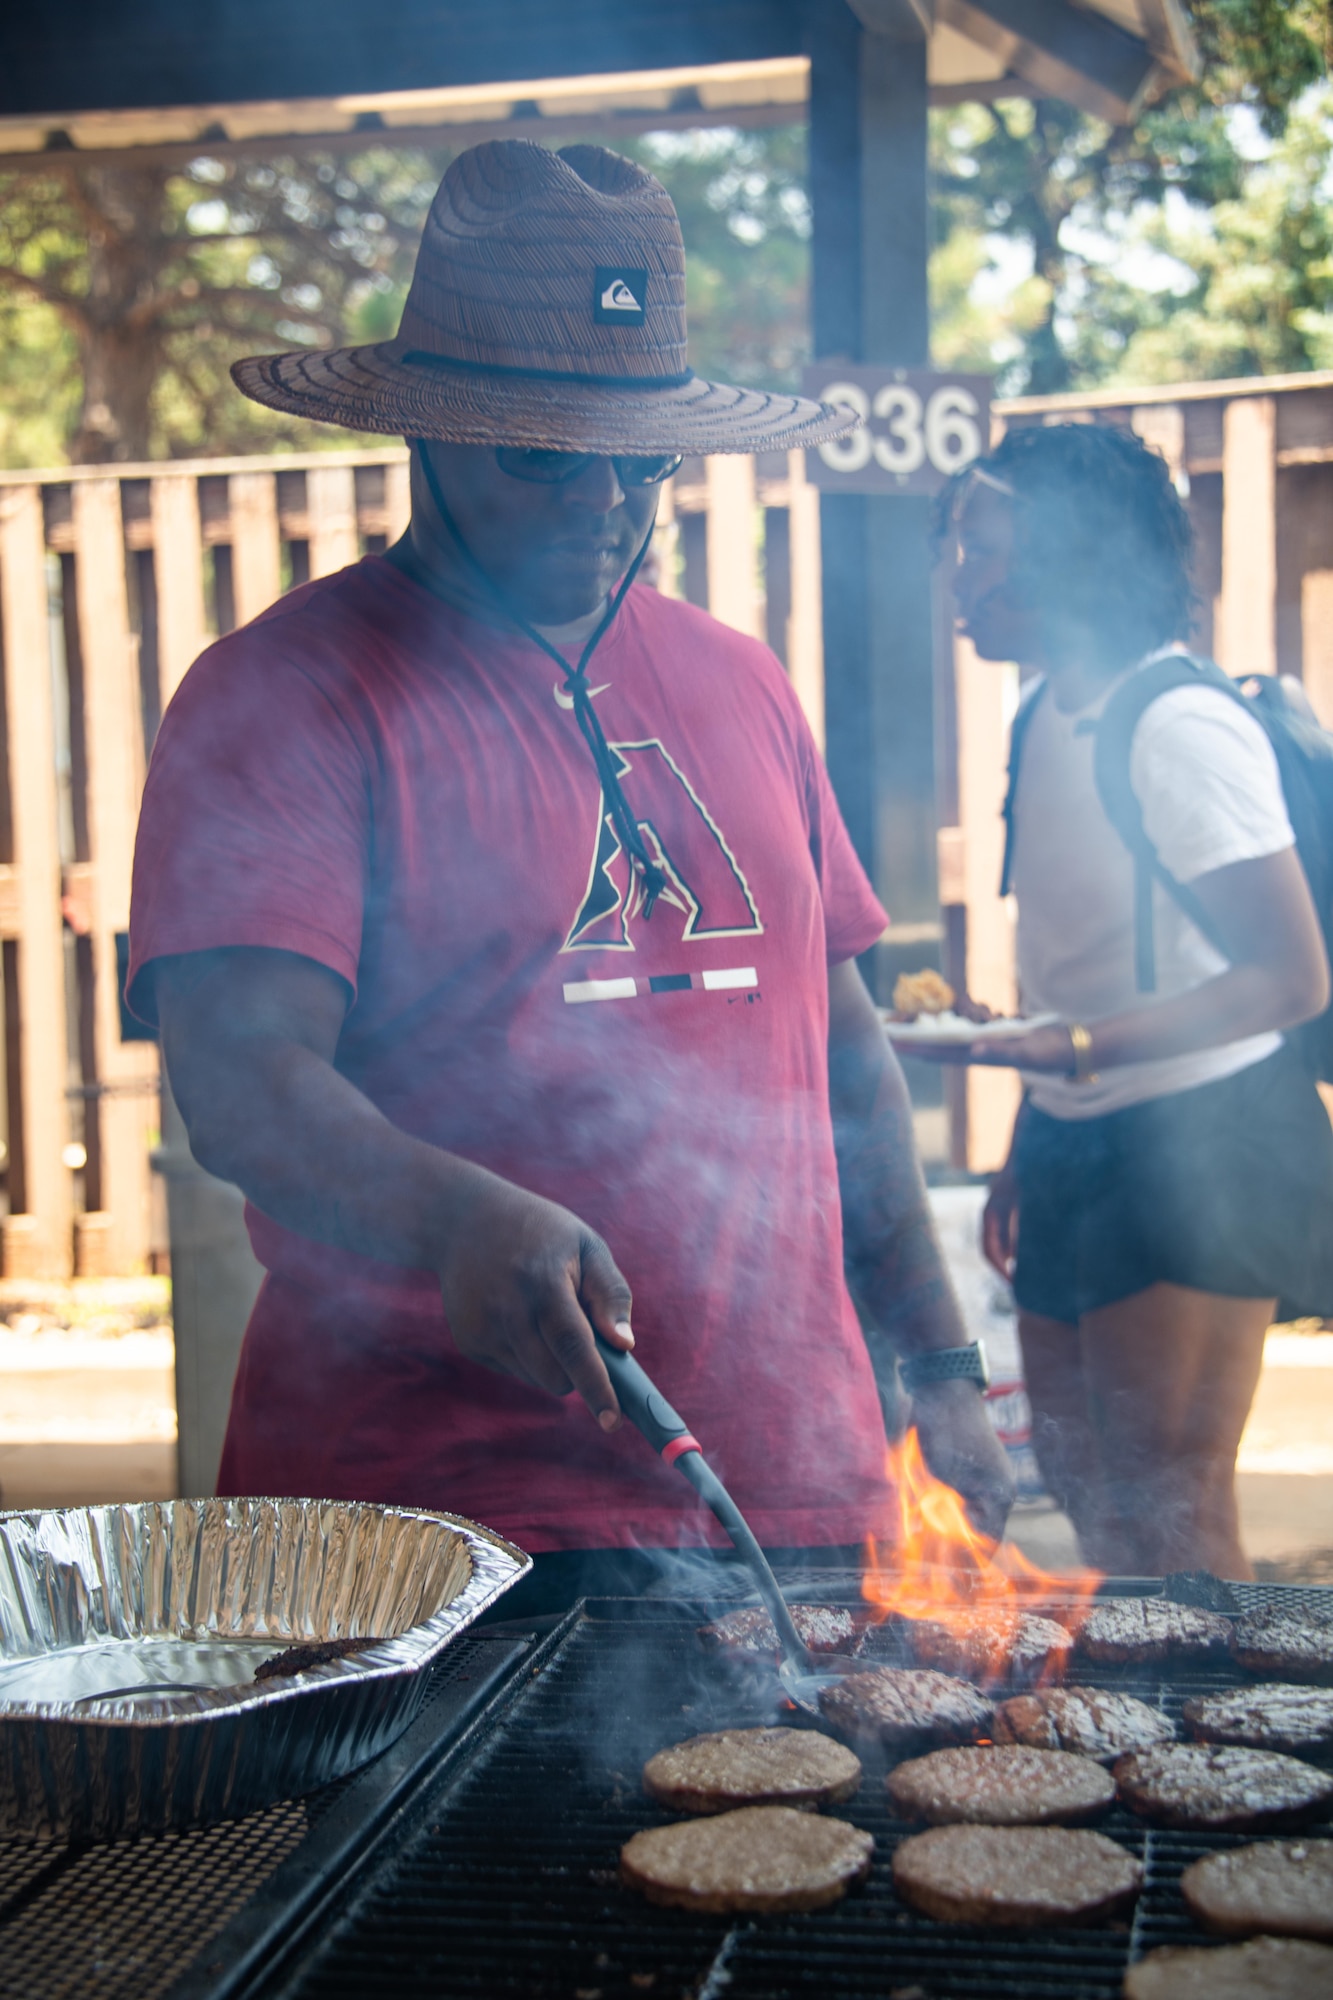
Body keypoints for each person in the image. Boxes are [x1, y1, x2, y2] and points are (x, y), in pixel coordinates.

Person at [127, 139, 1013, 1607]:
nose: (602, 497)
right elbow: (243, 1085)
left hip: (790, 1485)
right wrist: (457, 1215)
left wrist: (937, 1361)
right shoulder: (282, 695)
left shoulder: (739, 679)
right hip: (430, 1522)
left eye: (639, 454)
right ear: (424, 434)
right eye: (542, 454)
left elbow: (840, 1048)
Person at [932, 422, 1333, 1580]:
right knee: (1088, 1488)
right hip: (1072, 1139)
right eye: (958, 547)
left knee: (1172, 1510)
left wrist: (1068, 1046)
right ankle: (1125, 1742)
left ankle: (1232, 1753)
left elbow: (1290, 978)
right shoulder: (1038, 713)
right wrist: (1026, 1141)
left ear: (1069, 552)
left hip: (1205, 1137)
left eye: (984, 547)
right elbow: (1080, 964)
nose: (961, 577)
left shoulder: (1178, 725)